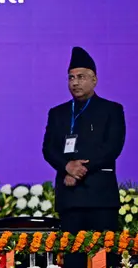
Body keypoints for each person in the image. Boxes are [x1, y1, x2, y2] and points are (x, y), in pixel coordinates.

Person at [42, 47, 125, 268]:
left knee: (105, 259)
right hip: (71, 199)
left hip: (101, 198)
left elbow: (113, 148)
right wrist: (67, 166)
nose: (75, 83)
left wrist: (79, 170)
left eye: (81, 77)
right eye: (71, 78)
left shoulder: (112, 110)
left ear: (94, 80)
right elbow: (48, 149)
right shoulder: (57, 113)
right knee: (73, 260)